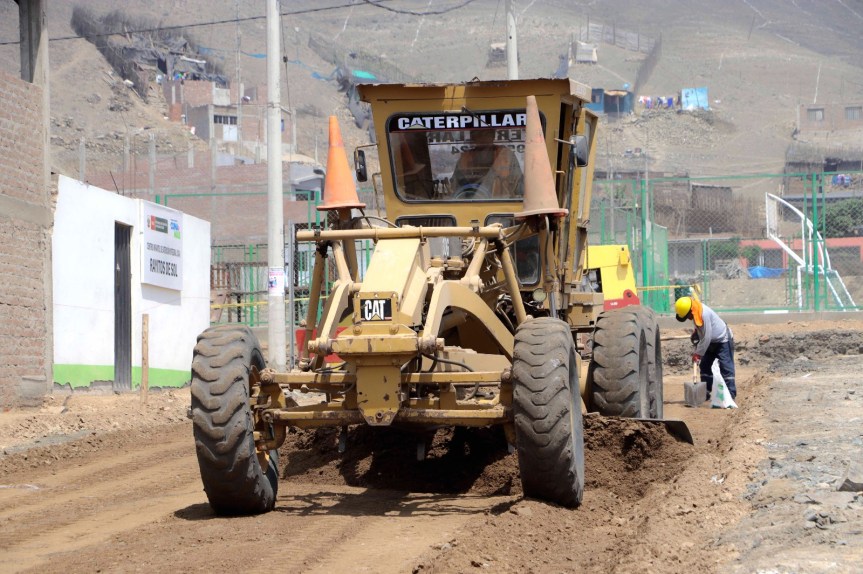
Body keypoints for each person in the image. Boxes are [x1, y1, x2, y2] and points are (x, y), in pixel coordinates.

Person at [675, 295, 737, 401]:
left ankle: (730, 394)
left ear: (691, 311)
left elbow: (707, 337)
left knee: (726, 367)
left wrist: (698, 353)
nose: (689, 319)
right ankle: (706, 392)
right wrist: (696, 332)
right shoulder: (696, 310)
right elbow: (701, 328)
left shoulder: (704, 313)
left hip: (723, 340)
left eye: (688, 316)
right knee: (704, 366)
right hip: (710, 342)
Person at [450, 129, 523, 199]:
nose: (482, 137)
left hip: (501, 205)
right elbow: (455, 187)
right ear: (472, 137)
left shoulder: (506, 156)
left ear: (493, 135)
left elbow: (519, 187)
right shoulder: (465, 158)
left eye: (486, 133)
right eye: (478, 134)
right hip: (470, 204)